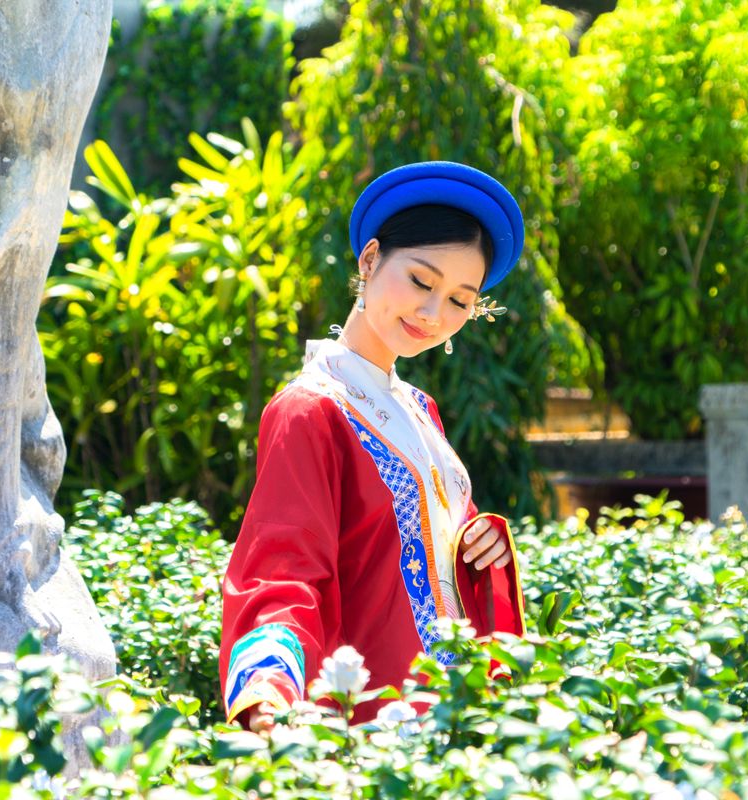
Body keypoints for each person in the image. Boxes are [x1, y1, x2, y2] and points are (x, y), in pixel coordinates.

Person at [219, 162, 529, 728]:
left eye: (461, 301)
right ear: (369, 260)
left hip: (458, 715)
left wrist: (480, 550)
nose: (434, 315)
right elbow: (283, 567)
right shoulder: (310, 410)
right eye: (421, 281)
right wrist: (267, 684)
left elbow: (408, 553)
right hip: (375, 723)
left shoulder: (420, 409)